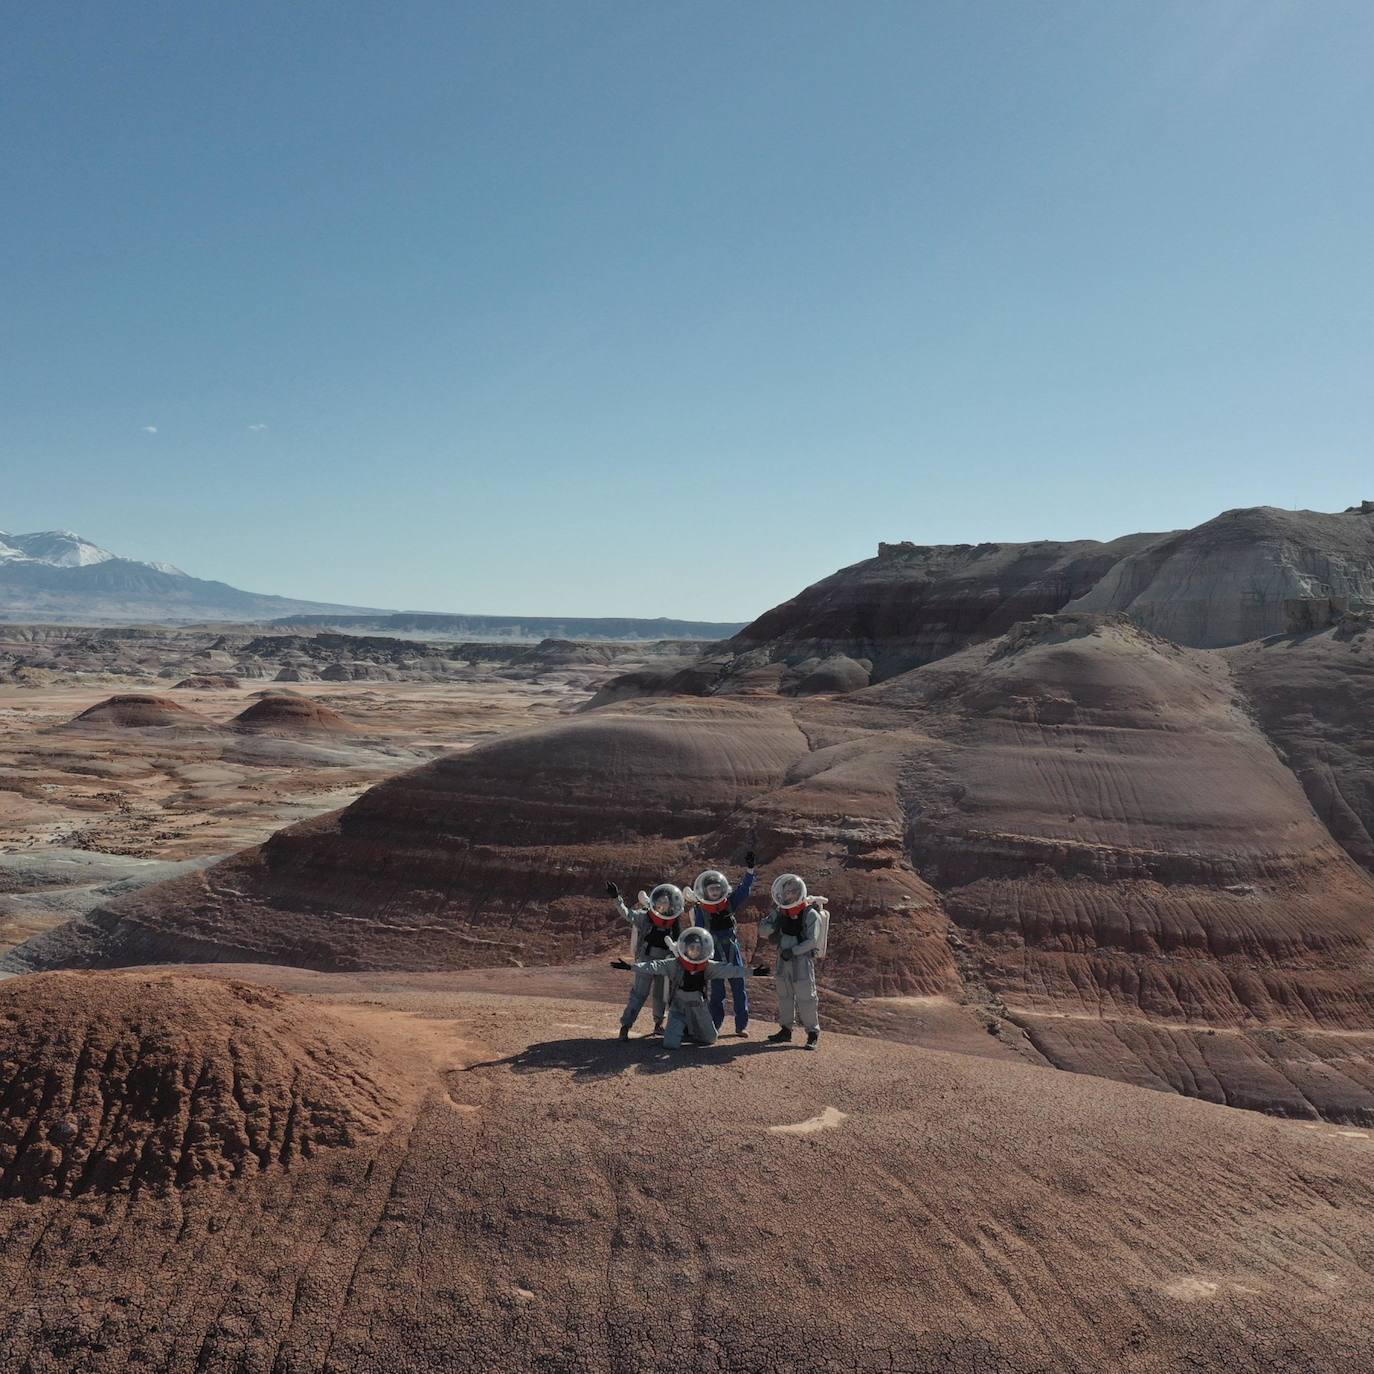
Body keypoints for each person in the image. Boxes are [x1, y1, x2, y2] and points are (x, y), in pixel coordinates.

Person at [613, 926, 768, 1050]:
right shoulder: (675, 964)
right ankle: (682, 1027)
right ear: (685, 948)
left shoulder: (708, 966)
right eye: (691, 948)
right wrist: (631, 967)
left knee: (710, 1039)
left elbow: (730, 970)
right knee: (670, 1045)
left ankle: (689, 1029)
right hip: (678, 1007)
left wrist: (752, 972)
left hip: (698, 1006)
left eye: (697, 948)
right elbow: (653, 965)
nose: (694, 951)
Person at [689, 852, 756, 1037]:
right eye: (711, 890)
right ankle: (715, 1026)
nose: (715, 893)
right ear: (705, 891)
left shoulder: (729, 904)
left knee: (739, 988)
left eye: (717, 889)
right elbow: (699, 934)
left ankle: (741, 1026)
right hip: (714, 954)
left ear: (722, 889)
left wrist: (750, 871)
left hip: (732, 950)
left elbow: (743, 890)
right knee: (717, 993)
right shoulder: (702, 910)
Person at [607, 880, 684, 1039]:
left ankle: (658, 1024)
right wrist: (616, 898)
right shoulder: (646, 917)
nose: (662, 906)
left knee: (661, 995)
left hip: (664, 961)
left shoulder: (674, 922)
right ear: (655, 902)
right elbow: (628, 914)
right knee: (639, 994)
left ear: (671, 905)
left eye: (665, 903)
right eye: (660, 902)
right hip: (646, 958)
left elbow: (679, 942)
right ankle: (626, 1025)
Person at [758, 873, 823, 1050]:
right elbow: (763, 932)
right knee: (784, 995)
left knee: (806, 997)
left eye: (793, 891)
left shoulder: (810, 914)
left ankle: (812, 1033)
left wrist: (793, 951)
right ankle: (786, 1030)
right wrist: (772, 918)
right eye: (787, 892)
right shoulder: (780, 913)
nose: (789, 895)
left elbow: (812, 941)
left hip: (800, 961)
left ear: (799, 892)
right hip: (783, 959)